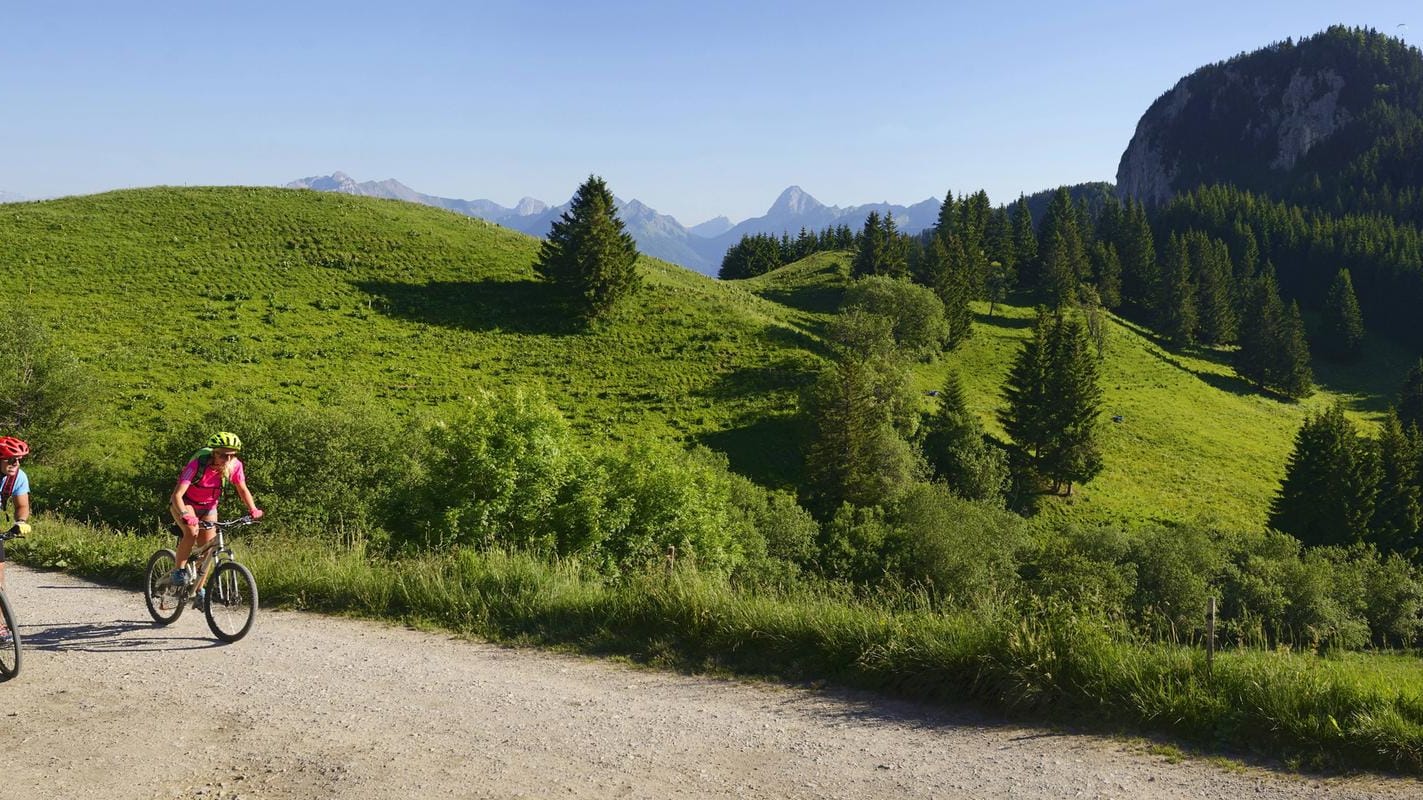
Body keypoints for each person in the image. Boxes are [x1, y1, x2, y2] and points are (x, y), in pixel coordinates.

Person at [168, 432, 262, 587]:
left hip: (209, 506)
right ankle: (179, 570)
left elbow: (243, 489)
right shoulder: (197, 464)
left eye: (232, 455)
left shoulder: (235, 465)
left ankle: (199, 591)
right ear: (214, 453)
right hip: (186, 503)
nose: (229, 459)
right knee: (191, 532)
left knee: (208, 550)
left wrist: (253, 509)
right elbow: (176, 495)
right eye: (224, 455)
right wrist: (185, 514)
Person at [0, 436, 32, 593]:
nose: (16, 464)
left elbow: (22, 505)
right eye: (11, 459)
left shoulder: (18, 477)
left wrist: (20, 521)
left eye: (18, 460)